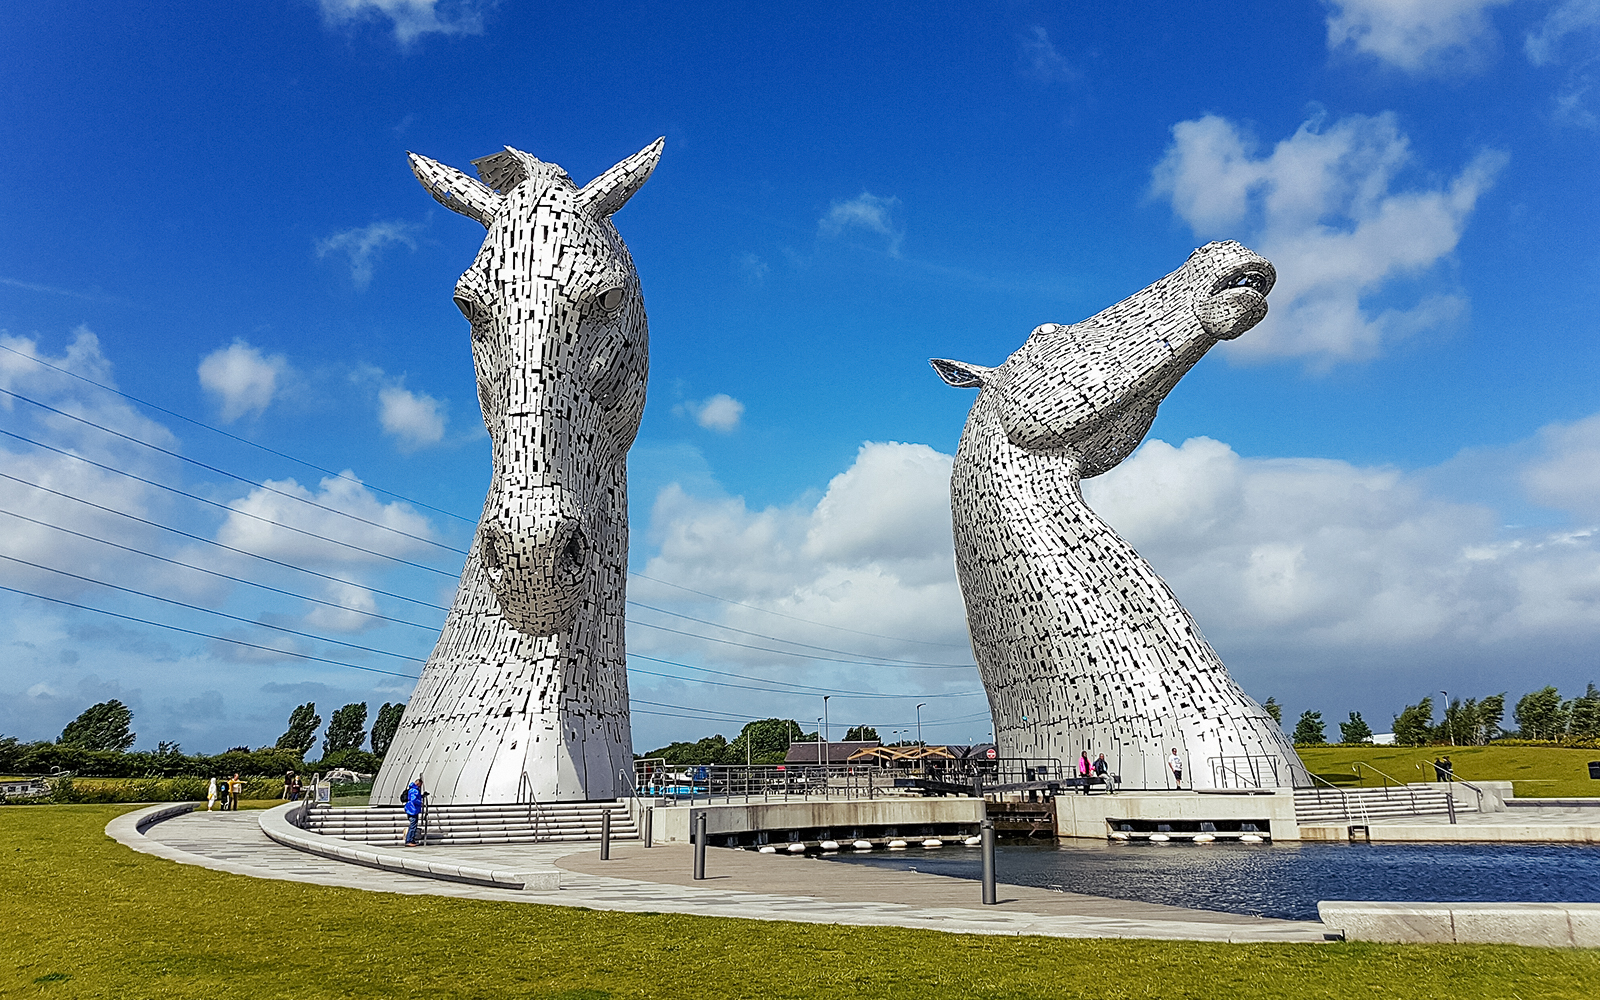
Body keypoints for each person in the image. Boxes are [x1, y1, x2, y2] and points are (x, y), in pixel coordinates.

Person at [403, 776, 425, 847]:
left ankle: (411, 840)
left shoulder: (412, 789)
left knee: (413, 825)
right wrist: (420, 802)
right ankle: (408, 840)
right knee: (413, 825)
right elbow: (413, 799)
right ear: (418, 784)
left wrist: (422, 796)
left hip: (411, 809)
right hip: (413, 810)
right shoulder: (414, 790)